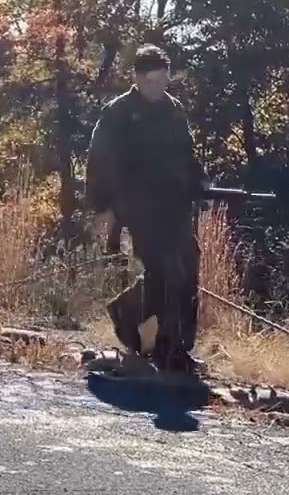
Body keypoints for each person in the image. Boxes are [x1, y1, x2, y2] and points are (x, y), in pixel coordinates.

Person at [87, 45, 208, 375]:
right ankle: (143, 338)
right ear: (137, 79)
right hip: (135, 209)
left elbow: (187, 155)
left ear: (169, 76)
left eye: (160, 80)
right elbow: (99, 161)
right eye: (148, 81)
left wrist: (201, 183)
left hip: (174, 209)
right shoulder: (119, 112)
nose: (155, 87)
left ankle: (178, 349)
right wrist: (103, 208)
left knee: (187, 270)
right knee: (162, 272)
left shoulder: (174, 110)